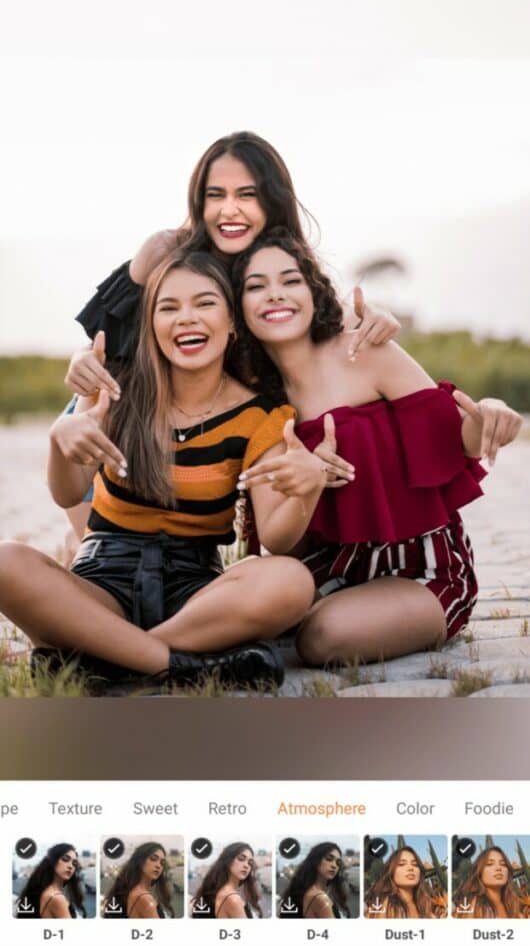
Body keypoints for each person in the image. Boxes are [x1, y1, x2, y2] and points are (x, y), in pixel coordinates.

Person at [0, 251, 322, 690]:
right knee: (6, 560)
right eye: (168, 308)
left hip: (194, 598)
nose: (186, 319)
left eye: (205, 303)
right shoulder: (118, 389)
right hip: (100, 585)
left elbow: (278, 538)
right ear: (150, 325)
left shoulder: (259, 417)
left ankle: (110, 657)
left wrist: (307, 488)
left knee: (291, 581)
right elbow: (67, 492)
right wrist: (62, 439)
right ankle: (173, 663)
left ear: (232, 323)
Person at [64, 131, 400, 541]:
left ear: (272, 200)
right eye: (215, 195)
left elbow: (319, 314)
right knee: (86, 446)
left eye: (247, 195)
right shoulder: (166, 250)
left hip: (232, 409)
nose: (230, 210)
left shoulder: (281, 257)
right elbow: (110, 335)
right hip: (133, 404)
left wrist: (374, 316)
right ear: (198, 201)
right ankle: (85, 548)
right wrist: (81, 357)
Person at [232, 228, 523, 665]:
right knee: (239, 599)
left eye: (290, 280)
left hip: (423, 570)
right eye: (256, 286)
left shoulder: (364, 351)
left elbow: (456, 434)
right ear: (238, 309)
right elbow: (280, 544)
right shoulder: (255, 400)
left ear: (313, 291)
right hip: (332, 569)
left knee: (322, 638)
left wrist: (490, 415)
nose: (276, 295)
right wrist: (307, 484)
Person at [365, 846, 444, 919]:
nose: (410, 868)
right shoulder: (385, 906)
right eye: (401, 864)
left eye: (415, 864)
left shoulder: (426, 904)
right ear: (391, 872)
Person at [103, 842, 174, 918]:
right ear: (140, 861)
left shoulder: (131, 890)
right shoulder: (144, 898)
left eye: (162, 862)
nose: (158, 865)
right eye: (153, 859)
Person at [279, 842, 351, 918]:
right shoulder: (320, 898)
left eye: (338, 862)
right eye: (329, 859)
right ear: (316, 860)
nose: (334, 865)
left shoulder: (304, 891)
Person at [191, 842, 263, 918]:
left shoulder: (219, 890)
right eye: (241, 859)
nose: (246, 865)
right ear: (228, 860)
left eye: (250, 862)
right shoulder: (232, 898)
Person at [453, 846, 528, 919]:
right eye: (489, 864)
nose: (499, 868)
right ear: (479, 872)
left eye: (503, 864)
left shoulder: (512, 903)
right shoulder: (475, 905)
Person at [16, 843, 86, 919]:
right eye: (65, 859)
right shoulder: (56, 898)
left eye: (74, 863)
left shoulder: (44, 890)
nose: (70, 866)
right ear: (53, 860)